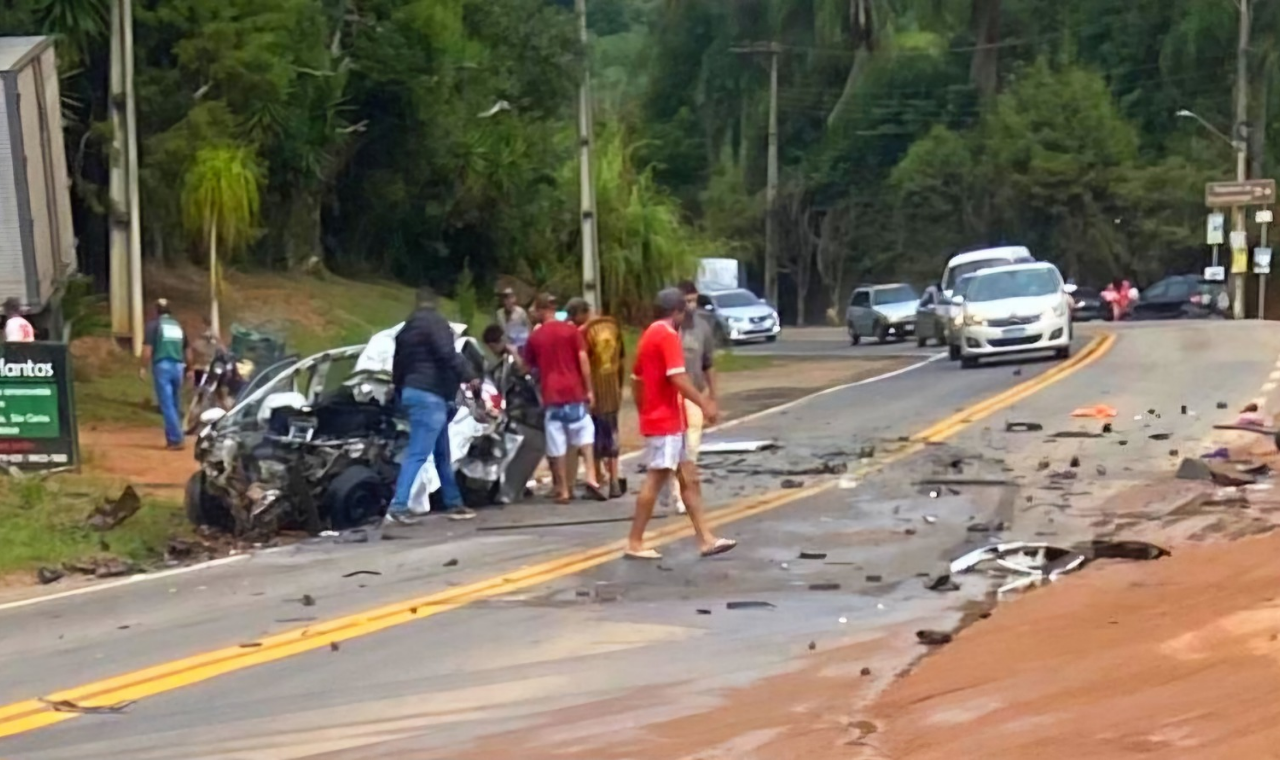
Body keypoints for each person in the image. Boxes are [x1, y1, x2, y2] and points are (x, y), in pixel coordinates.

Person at [625, 288, 736, 560]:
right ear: (677, 312)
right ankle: (635, 541)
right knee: (656, 477)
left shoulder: (649, 334)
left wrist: (644, 410)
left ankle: (706, 539)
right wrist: (704, 403)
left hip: (671, 418)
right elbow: (679, 378)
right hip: (665, 420)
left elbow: (636, 380)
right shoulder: (666, 335)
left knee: (689, 478)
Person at [389, 286, 479, 524]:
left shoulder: (405, 330)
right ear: (435, 303)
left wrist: (399, 390)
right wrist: (470, 376)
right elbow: (448, 355)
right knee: (418, 453)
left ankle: (454, 502)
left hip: (412, 392)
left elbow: (398, 365)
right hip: (431, 394)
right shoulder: (437, 324)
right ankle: (398, 506)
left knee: (441, 453)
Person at [526, 294, 607, 503]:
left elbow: (528, 366)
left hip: (551, 395)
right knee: (585, 435)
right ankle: (591, 477)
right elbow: (583, 360)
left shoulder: (535, 337)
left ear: (541, 310)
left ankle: (563, 489)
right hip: (574, 391)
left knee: (557, 444)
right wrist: (589, 390)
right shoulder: (572, 331)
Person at [664, 280, 718, 514]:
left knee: (691, 447)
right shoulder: (666, 330)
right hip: (670, 398)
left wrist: (712, 396)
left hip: (694, 395)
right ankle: (674, 490)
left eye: (694, 301)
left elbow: (708, 364)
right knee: (672, 449)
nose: (691, 306)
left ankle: (685, 493)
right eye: (686, 302)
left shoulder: (702, 328)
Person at [569, 297, 626, 498]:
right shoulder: (613, 326)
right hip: (612, 390)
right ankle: (614, 481)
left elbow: (581, 363)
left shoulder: (583, 332)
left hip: (593, 392)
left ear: (580, 314)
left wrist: (585, 390)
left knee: (592, 437)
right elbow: (621, 359)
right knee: (612, 434)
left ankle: (598, 478)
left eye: (573, 317)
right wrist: (619, 385)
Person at [140, 299, 193, 450]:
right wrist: (190, 368)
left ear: (156, 310)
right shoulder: (178, 326)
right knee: (175, 403)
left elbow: (147, 350)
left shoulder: (153, 326)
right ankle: (173, 438)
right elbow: (188, 350)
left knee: (166, 404)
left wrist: (143, 367)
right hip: (178, 367)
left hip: (162, 366)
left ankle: (176, 439)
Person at [496, 287, 532, 353]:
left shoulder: (520, 313)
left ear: (514, 299)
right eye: (505, 298)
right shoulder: (499, 313)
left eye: (510, 298)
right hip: (503, 346)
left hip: (516, 346)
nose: (508, 301)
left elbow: (528, 329)